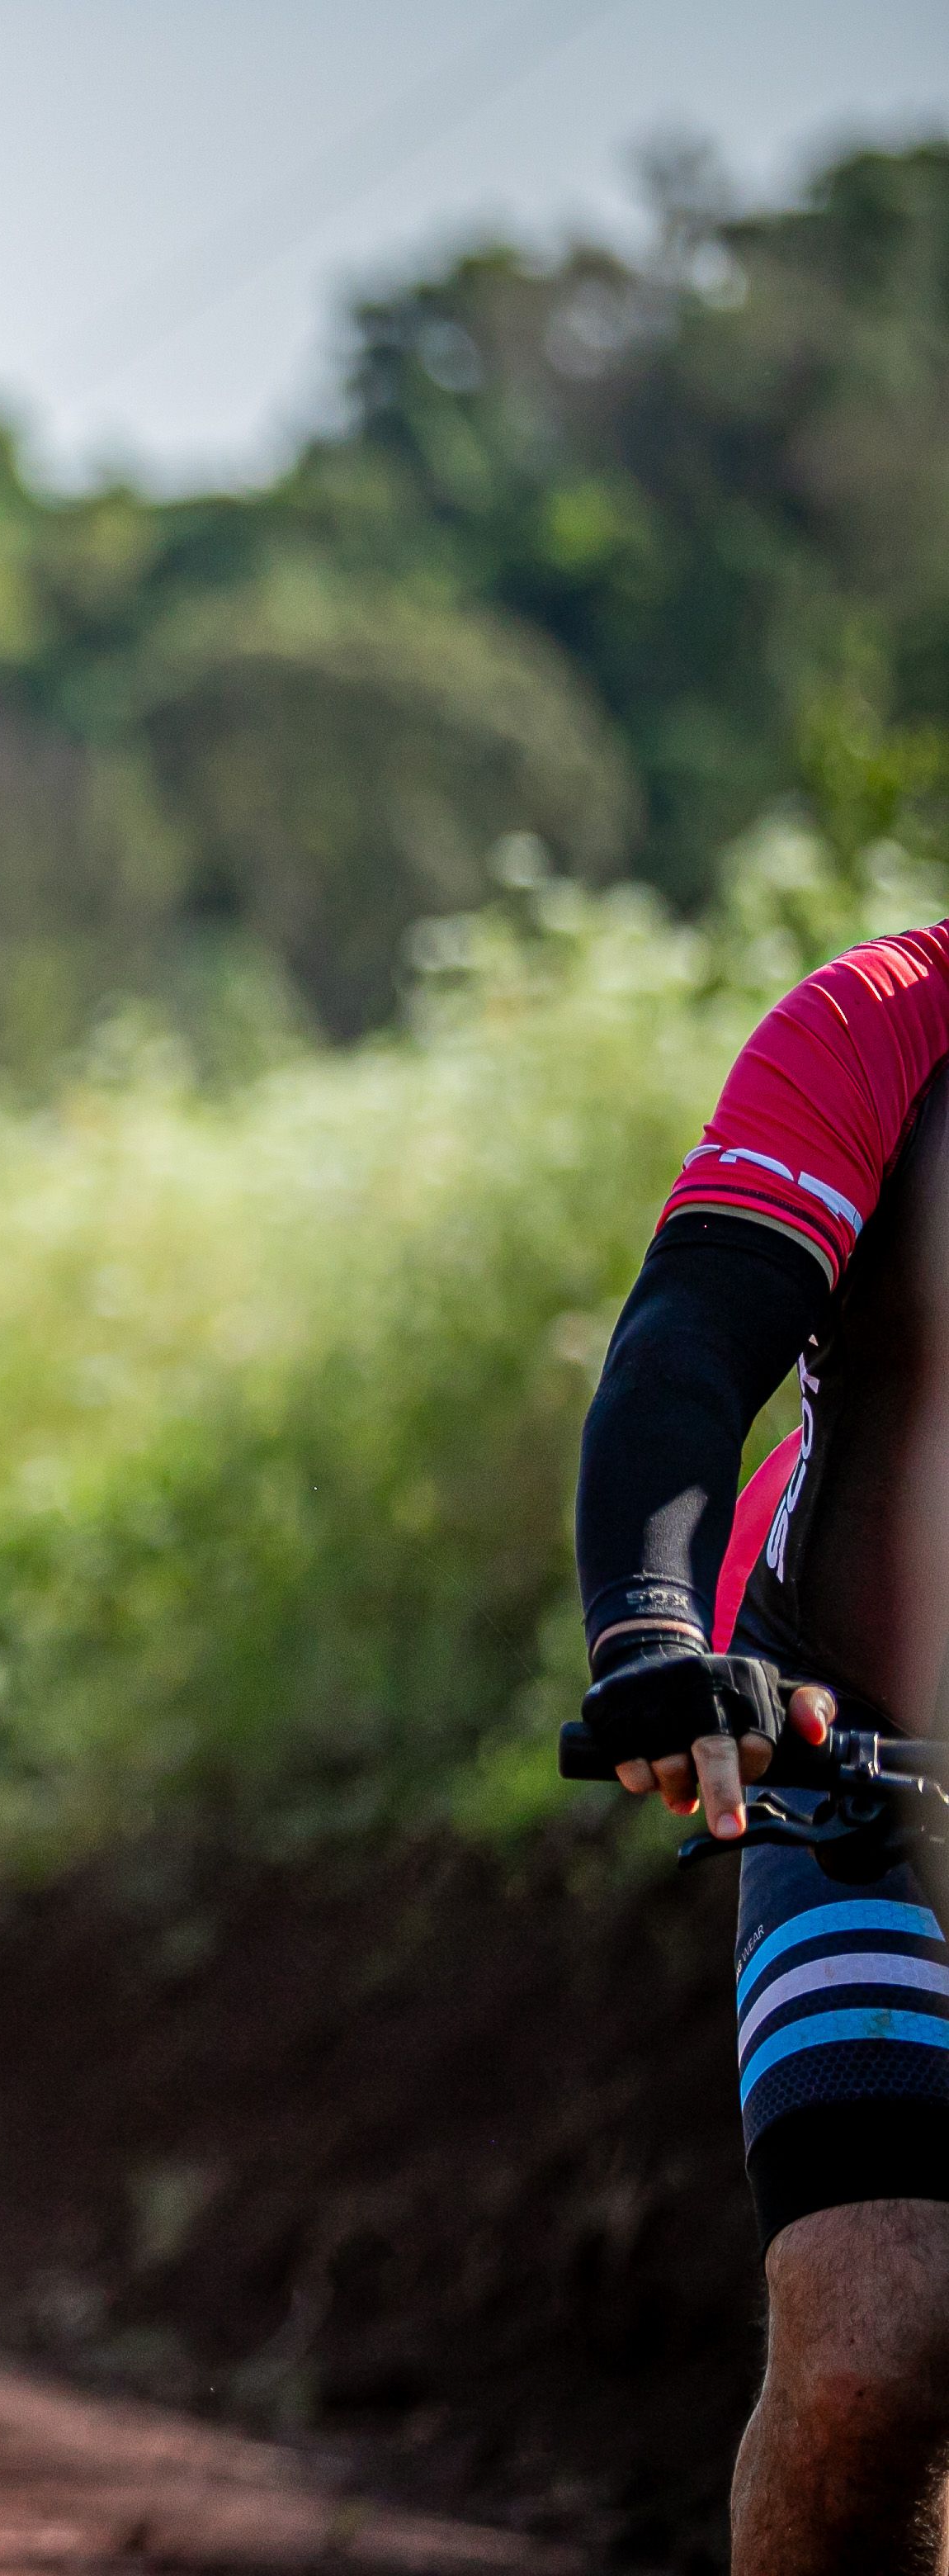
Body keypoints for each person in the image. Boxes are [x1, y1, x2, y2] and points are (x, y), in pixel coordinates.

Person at [572, 922, 949, 2572]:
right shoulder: (888, 1024)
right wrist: (654, 1639)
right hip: (873, 1766)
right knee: (873, 2359)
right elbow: (690, 1338)